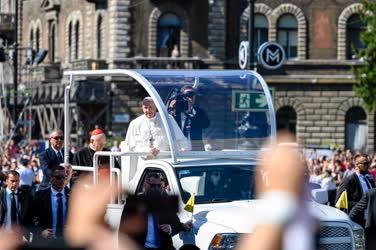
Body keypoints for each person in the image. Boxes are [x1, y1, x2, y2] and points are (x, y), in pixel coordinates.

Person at [119, 172, 188, 249]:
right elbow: (123, 229)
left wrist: (169, 228)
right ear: (145, 185)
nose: (156, 188)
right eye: (152, 185)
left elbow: (177, 224)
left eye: (158, 186)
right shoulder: (134, 202)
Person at [124, 97, 189, 157]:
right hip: (144, 163)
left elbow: (181, 139)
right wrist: (147, 151)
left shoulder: (167, 119)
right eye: (145, 108)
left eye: (150, 107)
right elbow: (132, 146)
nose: (148, 110)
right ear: (142, 108)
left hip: (165, 161)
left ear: (156, 107)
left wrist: (183, 149)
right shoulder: (135, 123)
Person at [33, 165, 70, 241]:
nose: (62, 180)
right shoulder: (39, 196)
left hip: (67, 241)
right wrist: (41, 231)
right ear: (51, 178)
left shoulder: (73, 196)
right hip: (46, 242)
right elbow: (32, 218)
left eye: (64, 177)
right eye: (59, 177)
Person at [168, 86, 210, 151]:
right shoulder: (175, 111)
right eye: (187, 95)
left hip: (196, 151)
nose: (190, 98)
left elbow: (206, 124)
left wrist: (191, 112)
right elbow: (165, 124)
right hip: (177, 151)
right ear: (182, 96)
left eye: (192, 95)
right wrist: (170, 109)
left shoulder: (199, 111)